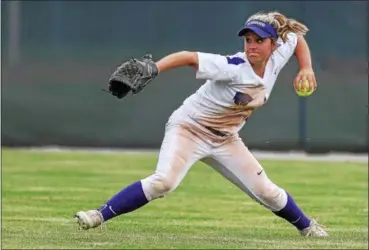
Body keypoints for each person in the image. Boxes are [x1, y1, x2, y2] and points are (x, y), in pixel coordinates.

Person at [75, 11, 327, 237]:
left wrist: (306, 68)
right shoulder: (233, 67)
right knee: (164, 181)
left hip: (226, 138)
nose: (251, 46)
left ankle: (307, 227)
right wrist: (153, 67)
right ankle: (99, 215)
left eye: (259, 40)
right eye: (247, 39)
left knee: (267, 192)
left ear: (273, 44)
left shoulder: (276, 57)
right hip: (189, 129)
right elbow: (188, 57)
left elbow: (295, 36)